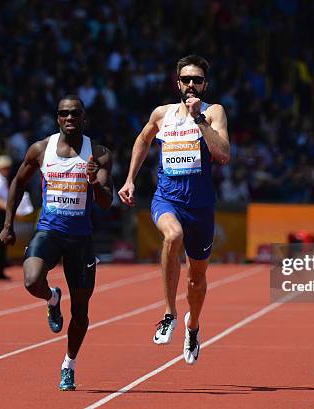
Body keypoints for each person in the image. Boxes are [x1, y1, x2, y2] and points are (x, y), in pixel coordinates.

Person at [118, 55, 230, 365]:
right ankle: (169, 313)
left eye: (197, 80)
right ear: (177, 83)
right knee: (172, 236)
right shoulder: (162, 114)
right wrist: (129, 179)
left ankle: (192, 326)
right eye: (186, 79)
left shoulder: (214, 112)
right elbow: (142, 140)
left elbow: (223, 155)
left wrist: (200, 121)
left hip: (201, 206)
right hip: (167, 198)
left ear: (204, 84)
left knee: (197, 278)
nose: (191, 85)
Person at [0, 95, 112, 391]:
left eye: (75, 113)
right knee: (31, 280)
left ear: (84, 118)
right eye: (64, 113)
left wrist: (94, 182)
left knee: (81, 312)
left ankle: (69, 364)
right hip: (49, 231)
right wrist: (8, 224)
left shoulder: (98, 154)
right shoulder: (40, 149)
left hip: (80, 240)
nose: (70, 117)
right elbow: (18, 182)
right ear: (57, 118)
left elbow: (105, 202)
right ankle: (51, 297)